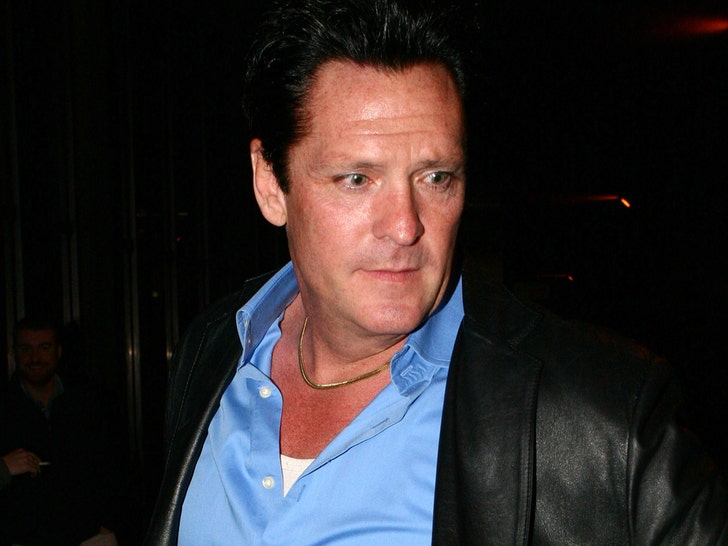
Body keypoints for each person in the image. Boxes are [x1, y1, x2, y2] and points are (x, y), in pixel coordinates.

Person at [145, 0, 728, 543]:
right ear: (271, 184)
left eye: (436, 177)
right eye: (357, 179)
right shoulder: (212, 351)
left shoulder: (607, 419)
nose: (405, 226)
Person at [0, 318, 121, 546]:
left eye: (44, 348)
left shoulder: (88, 402)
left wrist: (109, 521)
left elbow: (114, 466)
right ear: (13, 353)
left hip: (88, 536)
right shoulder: (5, 407)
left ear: (58, 351)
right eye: (25, 349)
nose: (34, 358)